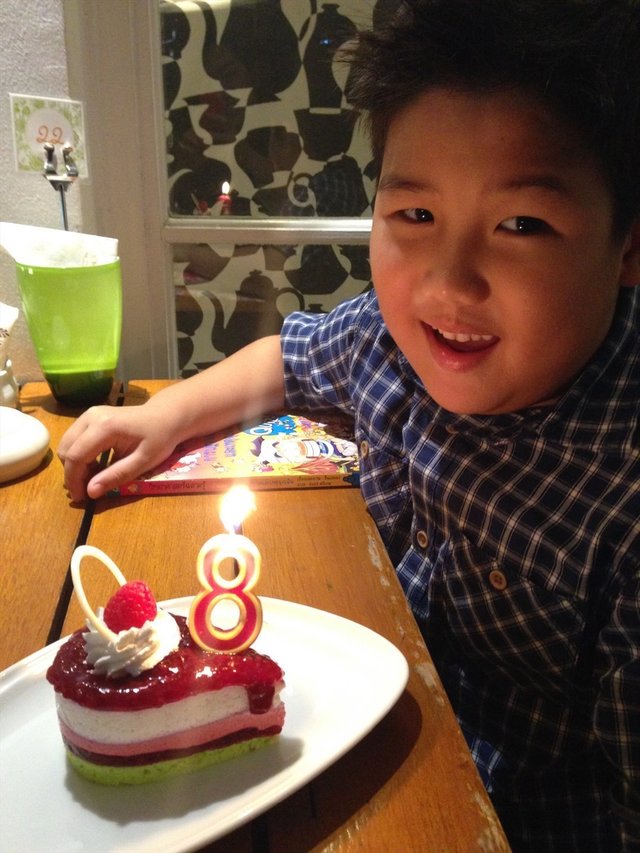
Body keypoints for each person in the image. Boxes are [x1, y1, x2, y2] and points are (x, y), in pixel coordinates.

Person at [58, 0, 640, 848]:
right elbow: (285, 359)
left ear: (627, 245)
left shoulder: (622, 489)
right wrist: (165, 412)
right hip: (361, 738)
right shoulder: (391, 338)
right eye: (415, 215)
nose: (448, 283)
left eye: (522, 224)